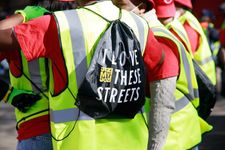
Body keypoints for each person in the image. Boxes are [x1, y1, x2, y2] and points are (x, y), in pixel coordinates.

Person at [0, 0, 180, 149]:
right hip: (134, 143)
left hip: (81, 142)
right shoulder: (139, 24)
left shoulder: (61, 24)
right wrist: (156, 145)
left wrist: (23, 15)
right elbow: (166, 72)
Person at [0, 1, 77, 150]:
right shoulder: (81, 26)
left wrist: (8, 94)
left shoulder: (27, 25)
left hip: (36, 128)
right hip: (76, 128)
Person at [151, 0, 213, 149]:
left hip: (176, 129)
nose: (164, 19)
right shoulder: (178, 25)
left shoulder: (167, 34)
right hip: (185, 122)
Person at [174, 0, 217, 89]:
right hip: (200, 78)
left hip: (201, 82)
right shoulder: (184, 20)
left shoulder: (187, 24)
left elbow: (187, 56)